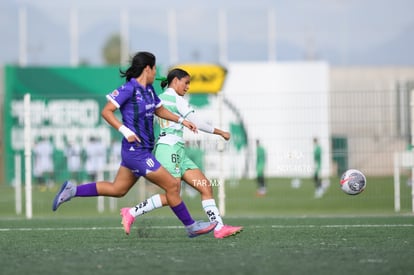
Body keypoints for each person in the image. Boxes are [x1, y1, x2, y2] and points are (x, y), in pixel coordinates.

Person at [52, 51, 217, 238]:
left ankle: (72, 190)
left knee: (118, 189)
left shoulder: (148, 90)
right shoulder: (129, 89)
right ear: (147, 68)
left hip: (142, 150)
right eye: (154, 68)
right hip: (136, 152)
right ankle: (191, 226)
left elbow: (160, 110)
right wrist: (125, 130)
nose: (155, 72)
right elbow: (106, 112)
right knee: (172, 186)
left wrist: (181, 120)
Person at [120, 68, 243, 238]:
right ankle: (131, 212)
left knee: (205, 186)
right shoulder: (175, 99)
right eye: (186, 83)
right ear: (175, 81)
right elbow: (197, 122)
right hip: (169, 149)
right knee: (173, 194)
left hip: (177, 150)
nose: (188, 87)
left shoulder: (161, 98)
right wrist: (220, 132)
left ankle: (219, 228)